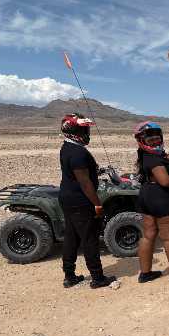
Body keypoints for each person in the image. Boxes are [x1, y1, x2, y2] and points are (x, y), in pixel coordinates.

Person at [59, 113, 116, 289]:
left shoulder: (67, 147)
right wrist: (97, 204)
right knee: (89, 238)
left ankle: (69, 276)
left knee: (71, 237)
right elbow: (85, 183)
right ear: (74, 131)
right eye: (84, 130)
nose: (87, 133)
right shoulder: (78, 153)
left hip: (68, 198)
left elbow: (78, 173)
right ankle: (98, 278)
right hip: (81, 201)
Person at [135, 122, 169, 285]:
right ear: (142, 140)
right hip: (163, 198)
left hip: (147, 196)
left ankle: (145, 273)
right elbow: (165, 180)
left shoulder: (147, 156)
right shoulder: (154, 159)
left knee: (148, 235)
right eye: (151, 140)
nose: (155, 142)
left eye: (157, 139)